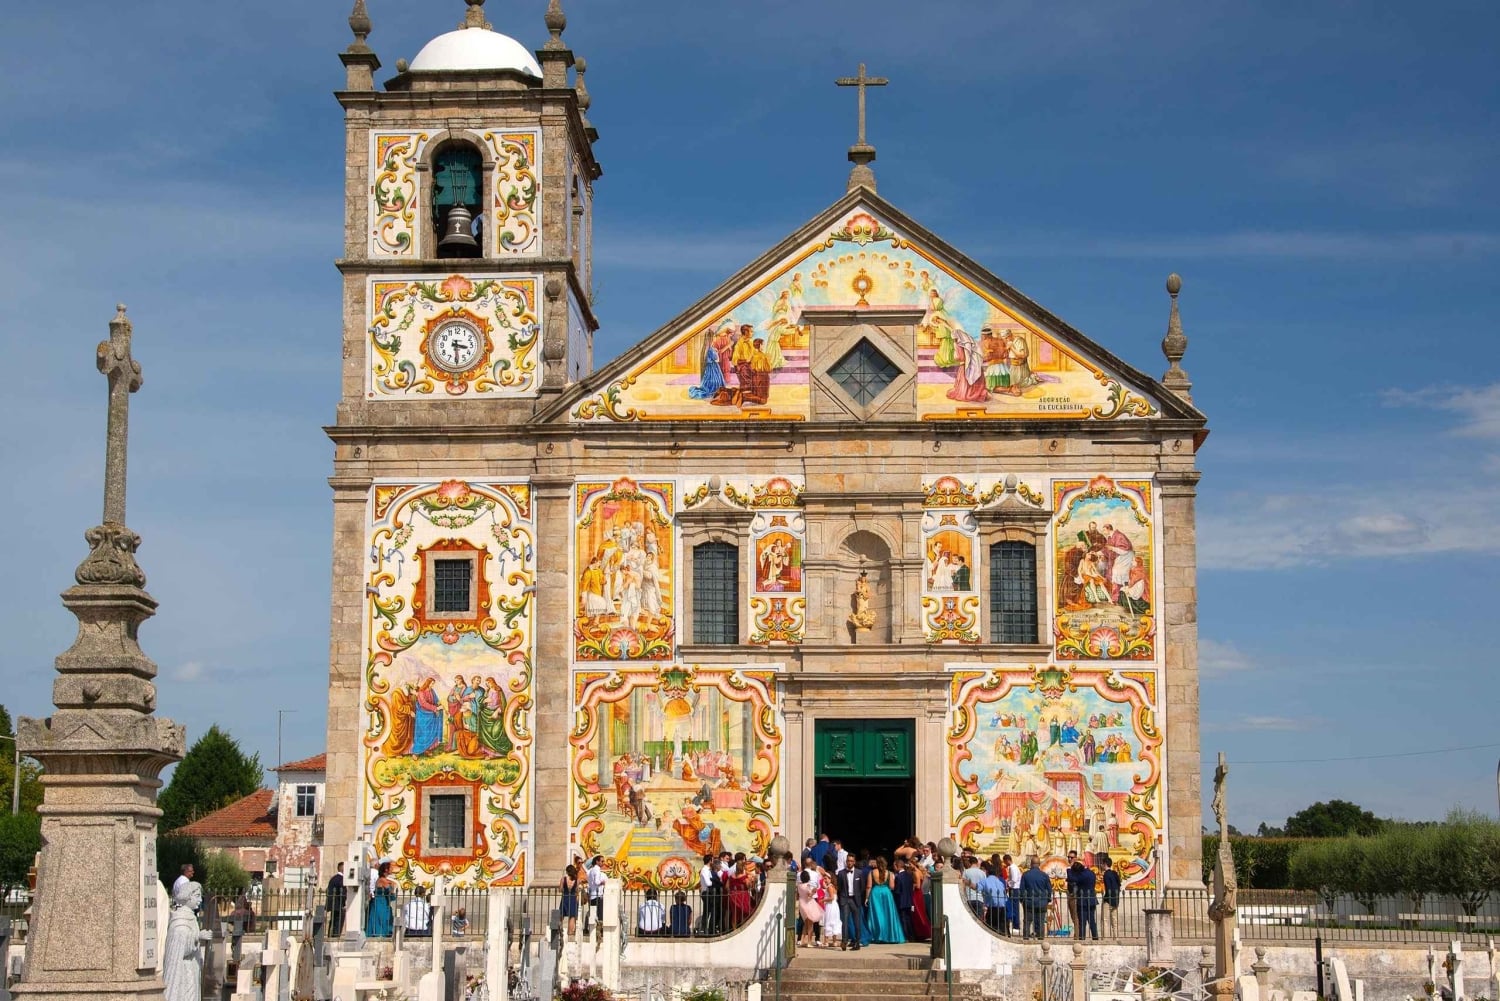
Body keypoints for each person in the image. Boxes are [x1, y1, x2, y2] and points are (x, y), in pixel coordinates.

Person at [162, 879, 208, 1001]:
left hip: (192, 965)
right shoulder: (179, 920)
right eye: (197, 896)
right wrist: (197, 937)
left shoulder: (190, 917)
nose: (200, 900)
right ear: (187, 897)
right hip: (183, 968)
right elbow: (180, 944)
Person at [862, 857, 906, 945]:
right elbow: (892, 887)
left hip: (875, 893)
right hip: (886, 893)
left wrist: (866, 898)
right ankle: (888, 936)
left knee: (877, 915)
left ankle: (878, 936)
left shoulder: (872, 872)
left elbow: (869, 886)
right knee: (888, 915)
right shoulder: (889, 873)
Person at [835, 856, 865, 951]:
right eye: (848, 861)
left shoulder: (859, 873)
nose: (849, 863)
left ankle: (857, 942)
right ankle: (844, 941)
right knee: (845, 921)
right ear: (846, 861)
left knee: (857, 922)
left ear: (854, 862)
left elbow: (862, 887)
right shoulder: (841, 873)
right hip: (845, 899)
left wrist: (860, 898)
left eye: (851, 861)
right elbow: (839, 887)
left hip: (855, 900)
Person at [1018, 856, 1052, 940]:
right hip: (1041, 902)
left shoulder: (1026, 875)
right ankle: (1040, 937)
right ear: (1039, 864)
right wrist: (1047, 900)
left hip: (1029, 901)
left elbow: (1022, 889)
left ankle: (1026, 936)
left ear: (1031, 864)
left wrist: (1022, 900)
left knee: (1027, 921)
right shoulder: (1044, 875)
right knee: (1040, 921)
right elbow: (1049, 889)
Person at [364, 861, 395, 938]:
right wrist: (392, 885)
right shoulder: (382, 880)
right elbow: (389, 889)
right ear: (386, 870)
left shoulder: (384, 880)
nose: (392, 869)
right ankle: (379, 934)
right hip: (380, 903)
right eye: (390, 867)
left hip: (384, 902)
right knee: (381, 919)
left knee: (385, 919)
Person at [796, 869, 825, 947]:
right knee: (811, 924)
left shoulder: (799, 885)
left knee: (805, 923)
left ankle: (802, 940)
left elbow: (798, 895)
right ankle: (809, 942)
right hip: (809, 904)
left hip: (802, 904)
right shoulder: (807, 885)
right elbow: (809, 895)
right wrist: (814, 891)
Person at [1073, 859, 1099, 940]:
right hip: (1091, 898)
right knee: (1092, 921)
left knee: (1082, 922)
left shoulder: (1080, 876)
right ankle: (1095, 937)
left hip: (1082, 900)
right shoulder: (1092, 873)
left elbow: (1075, 883)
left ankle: (1082, 938)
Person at [980, 862, 1008, 934]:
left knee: (991, 926)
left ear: (987, 872)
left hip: (993, 906)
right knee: (1002, 925)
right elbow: (1005, 895)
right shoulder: (1000, 881)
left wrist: (968, 883)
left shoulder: (986, 880)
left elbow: (977, 887)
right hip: (1002, 906)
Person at [893, 857, 916, 940]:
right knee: (909, 919)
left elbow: (898, 890)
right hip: (909, 900)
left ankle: (906, 936)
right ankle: (912, 935)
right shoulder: (909, 875)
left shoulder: (898, 877)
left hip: (901, 901)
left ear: (897, 866)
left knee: (903, 919)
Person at [1099, 853, 1120, 938]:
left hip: (1108, 900)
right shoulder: (1115, 873)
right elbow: (1118, 885)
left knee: (1105, 920)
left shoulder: (1106, 874)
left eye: (1102, 864)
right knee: (1115, 920)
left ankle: (1106, 938)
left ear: (1105, 864)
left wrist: (1106, 898)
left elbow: (1108, 888)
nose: (1101, 865)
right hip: (1116, 899)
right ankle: (1116, 937)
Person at [585, 855, 606, 938]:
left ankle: (592, 931)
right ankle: (600, 931)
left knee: (593, 914)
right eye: (602, 861)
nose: (603, 863)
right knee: (600, 914)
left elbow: (590, 883)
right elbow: (597, 882)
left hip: (592, 895)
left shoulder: (590, 871)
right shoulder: (597, 869)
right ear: (597, 862)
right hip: (597, 895)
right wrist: (602, 882)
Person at [325, 862, 347, 937]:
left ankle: (330, 935)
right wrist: (344, 904)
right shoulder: (341, 879)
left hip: (332, 904)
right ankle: (336, 936)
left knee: (332, 921)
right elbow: (342, 893)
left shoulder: (333, 878)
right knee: (338, 922)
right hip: (338, 904)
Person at [559, 863, 581, 937]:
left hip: (565, 897)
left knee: (561, 915)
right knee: (572, 916)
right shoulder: (577, 880)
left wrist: (565, 889)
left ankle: (559, 930)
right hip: (572, 898)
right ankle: (570, 933)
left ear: (567, 871)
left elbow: (560, 889)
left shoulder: (563, 879)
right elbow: (577, 890)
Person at [1064, 851, 1082, 934]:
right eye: (1068, 857)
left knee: (1075, 916)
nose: (1069, 859)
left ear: (1075, 858)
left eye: (1071, 857)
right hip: (1070, 893)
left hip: (1075, 894)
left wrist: (1069, 869)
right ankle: (1077, 933)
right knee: (1072, 915)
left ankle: (1077, 934)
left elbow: (1072, 878)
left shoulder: (1076, 868)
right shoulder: (1069, 868)